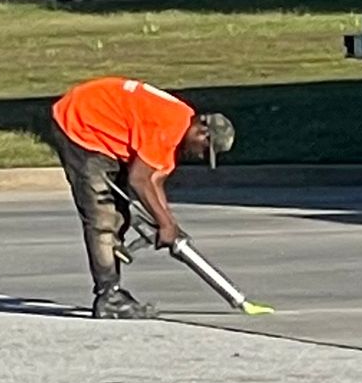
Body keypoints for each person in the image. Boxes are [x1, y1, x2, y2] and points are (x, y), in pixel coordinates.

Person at [47, 77, 235, 318]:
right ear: (202, 129)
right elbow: (139, 180)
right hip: (80, 124)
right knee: (104, 217)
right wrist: (165, 225)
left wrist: (169, 224)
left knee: (120, 216)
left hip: (100, 125)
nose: (199, 155)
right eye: (204, 148)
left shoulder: (177, 128)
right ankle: (109, 296)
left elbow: (154, 181)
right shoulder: (170, 126)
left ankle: (112, 290)